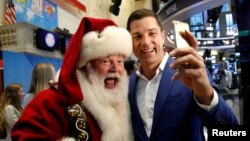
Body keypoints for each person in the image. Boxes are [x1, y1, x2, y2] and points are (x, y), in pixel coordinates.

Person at [11, 17, 134, 141]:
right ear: (87, 66)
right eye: (105, 61)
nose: (115, 68)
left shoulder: (126, 101)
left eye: (119, 61)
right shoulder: (51, 101)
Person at [126, 8, 238, 141]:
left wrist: (206, 94)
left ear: (162, 36)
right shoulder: (128, 85)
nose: (145, 42)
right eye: (137, 36)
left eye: (152, 33)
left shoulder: (190, 71)